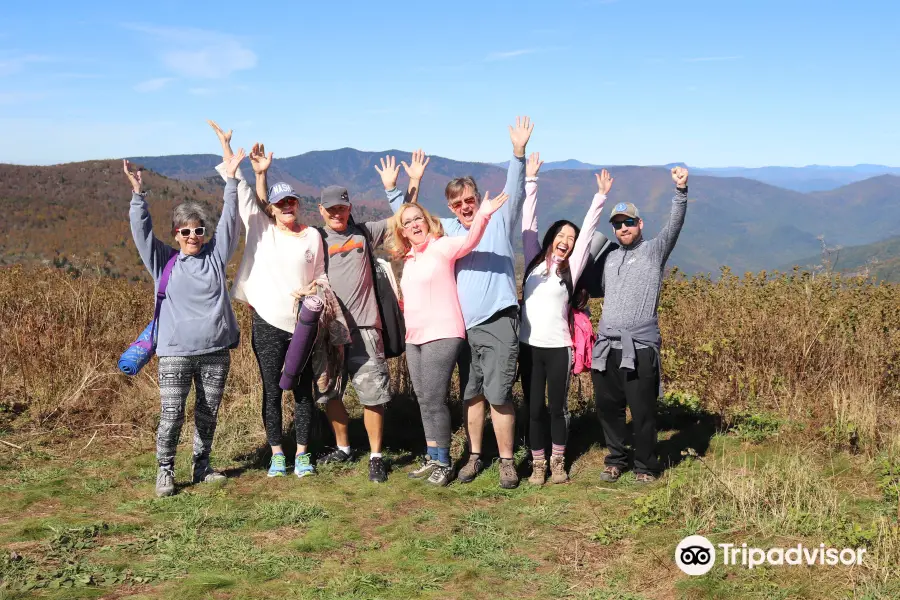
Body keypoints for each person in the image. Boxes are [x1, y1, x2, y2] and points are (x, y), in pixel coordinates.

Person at [383, 117, 533, 489]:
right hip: (462, 326)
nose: (466, 207)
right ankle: (473, 457)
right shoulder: (448, 230)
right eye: (458, 203)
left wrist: (518, 154)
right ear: (451, 207)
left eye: (470, 200)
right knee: (471, 394)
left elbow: (513, 192)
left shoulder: (497, 219)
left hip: (497, 319)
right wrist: (397, 191)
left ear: (478, 199)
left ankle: (507, 461)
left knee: (499, 393)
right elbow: (413, 223)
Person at [208, 122, 324, 480]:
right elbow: (237, 185)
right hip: (268, 324)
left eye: (292, 201)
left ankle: (303, 453)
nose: (287, 206)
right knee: (271, 389)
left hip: (303, 324)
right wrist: (228, 148)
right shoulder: (261, 227)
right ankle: (277, 453)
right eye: (280, 202)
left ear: (298, 204)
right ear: (271, 207)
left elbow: (321, 275)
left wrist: (315, 290)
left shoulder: (313, 236)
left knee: (303, 390)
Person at [124, 151, 242, 498]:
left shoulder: (216, 258)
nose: (193, 235)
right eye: (186, 230)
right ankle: (165, 471)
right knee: (172, 415)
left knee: (208, 414)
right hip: (174, 352)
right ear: (176, 233)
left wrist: (232, 182)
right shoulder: (163, 261)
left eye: (199, 230)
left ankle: (202, 466)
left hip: (216, 351)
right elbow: (141, 233)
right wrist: (137, 197)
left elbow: (231, 223)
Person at [385, 191, 508, 486]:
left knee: (435, 399)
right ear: (402, 231)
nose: (415, 225)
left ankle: (445, 462)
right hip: (414, 337)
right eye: (408, 222)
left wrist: (484, 214)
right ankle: (433, 454)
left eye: (418, 219)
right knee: (424, 399)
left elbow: (470, 240)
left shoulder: (442, 247)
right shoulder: (410, 259)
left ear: (427, 222)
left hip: (443, 332)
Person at [591, 166, 690, 484]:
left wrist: (680, 191)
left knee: (643, 410)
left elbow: (674, 226)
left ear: (640, 224)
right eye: (618, 224)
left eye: (628, 222)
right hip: (607, 346)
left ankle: (646, 466)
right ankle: (615, 460)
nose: (623, 228)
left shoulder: (653, 252)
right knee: (609, 408)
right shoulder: (609, 257)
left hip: (641, 346)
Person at [519, 153, 610, 485]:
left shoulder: (571, 269)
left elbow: (588, 233)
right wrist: (531, 180)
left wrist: (599, 197)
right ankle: (537, 463)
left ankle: (557, 462)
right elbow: (529, 220)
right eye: (562, 235)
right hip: (529, 347)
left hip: (559, 347)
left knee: (557, 407)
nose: (567, 241)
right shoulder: (532, 260)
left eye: (571, 240)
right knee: (533, 409)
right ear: (551, 237)